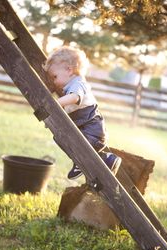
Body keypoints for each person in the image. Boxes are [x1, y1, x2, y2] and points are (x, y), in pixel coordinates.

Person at [42, 46, 121, 180]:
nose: (54, 81)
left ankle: (82, 162)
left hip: (92, 131)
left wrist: (53, 104)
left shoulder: (77, 84)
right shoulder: (70, 86)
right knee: (61, 137)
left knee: (74, 144)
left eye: (55, 76)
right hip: (89, 130)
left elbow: (74, 98)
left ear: (69, 70)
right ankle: (104, 159)